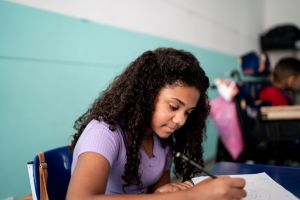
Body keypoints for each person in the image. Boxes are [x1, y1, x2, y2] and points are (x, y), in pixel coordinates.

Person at [66, 48, 246, 200]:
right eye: (173, 106)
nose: (180, 120)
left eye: (188, 113)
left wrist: (164, 192)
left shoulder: (162, 140)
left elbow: (156, 194)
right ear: (147, 95)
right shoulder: (104, 132)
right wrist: (190, 196)